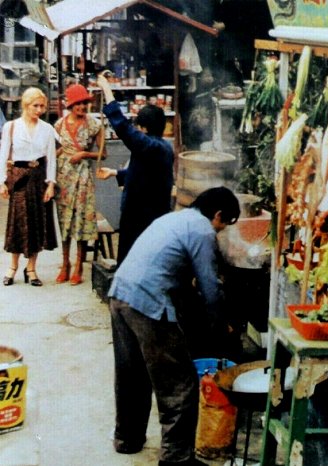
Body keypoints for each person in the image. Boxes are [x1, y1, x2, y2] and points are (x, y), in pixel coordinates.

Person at [107, 186, 239, 466]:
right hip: (148, 303)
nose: (219, 232)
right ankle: (176, 459)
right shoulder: (203, 230)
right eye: (223, 225)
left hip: (120, 294)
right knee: (180, 385)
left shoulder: (171, 218)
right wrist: (221, 326)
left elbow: (173, 274)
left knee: (132, 373)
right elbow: (211, 288)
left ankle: (127, 438)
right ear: (217, 215)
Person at [95, 72, 173, 264]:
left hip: (141, 214)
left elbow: (122, 126)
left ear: (144, 128)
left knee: (135, 258)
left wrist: (106, 89)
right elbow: (146, 175)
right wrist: (115, 173)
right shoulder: (164, 147)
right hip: (154, 212)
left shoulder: (149, 145)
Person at [0, 87, 58, 287]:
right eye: (36, 105)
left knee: (37, 222)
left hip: (39, 178)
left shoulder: (47, 129)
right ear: (26, 105)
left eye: (42, 106)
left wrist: (51, 183)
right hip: (19, 177)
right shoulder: (11, 127)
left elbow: (51, 158)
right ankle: (13, 267)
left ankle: (32, 268)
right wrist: (1, 182)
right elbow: (3, 154)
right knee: (17, 221)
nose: (39, 110)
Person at [53, 84, 105, 285]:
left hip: (83, 175)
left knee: (82, 219)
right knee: (64, 219)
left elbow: (103, 153)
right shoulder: (59, 124)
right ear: (71, 105)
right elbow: (56, 149)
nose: (82, 107)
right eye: (78, 104)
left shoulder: (94, 125)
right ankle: (64, 263)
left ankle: (78, 266)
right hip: (63, 176)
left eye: (85, 103)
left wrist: (85, 154)